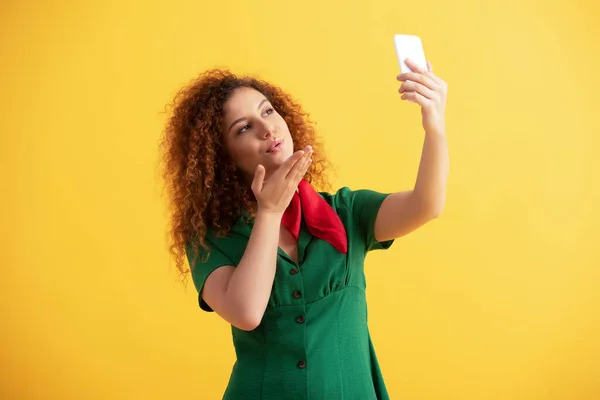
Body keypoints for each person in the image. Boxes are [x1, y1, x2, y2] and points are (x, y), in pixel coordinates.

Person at [160, 58, 448, 399]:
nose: (267, 129)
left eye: (267, 112)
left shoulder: (345, 212)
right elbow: (247, 313)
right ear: (223, 157)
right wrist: (269, 212)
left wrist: (435, 127)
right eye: (243, 128)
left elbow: (425, 206)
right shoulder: (210, 239)